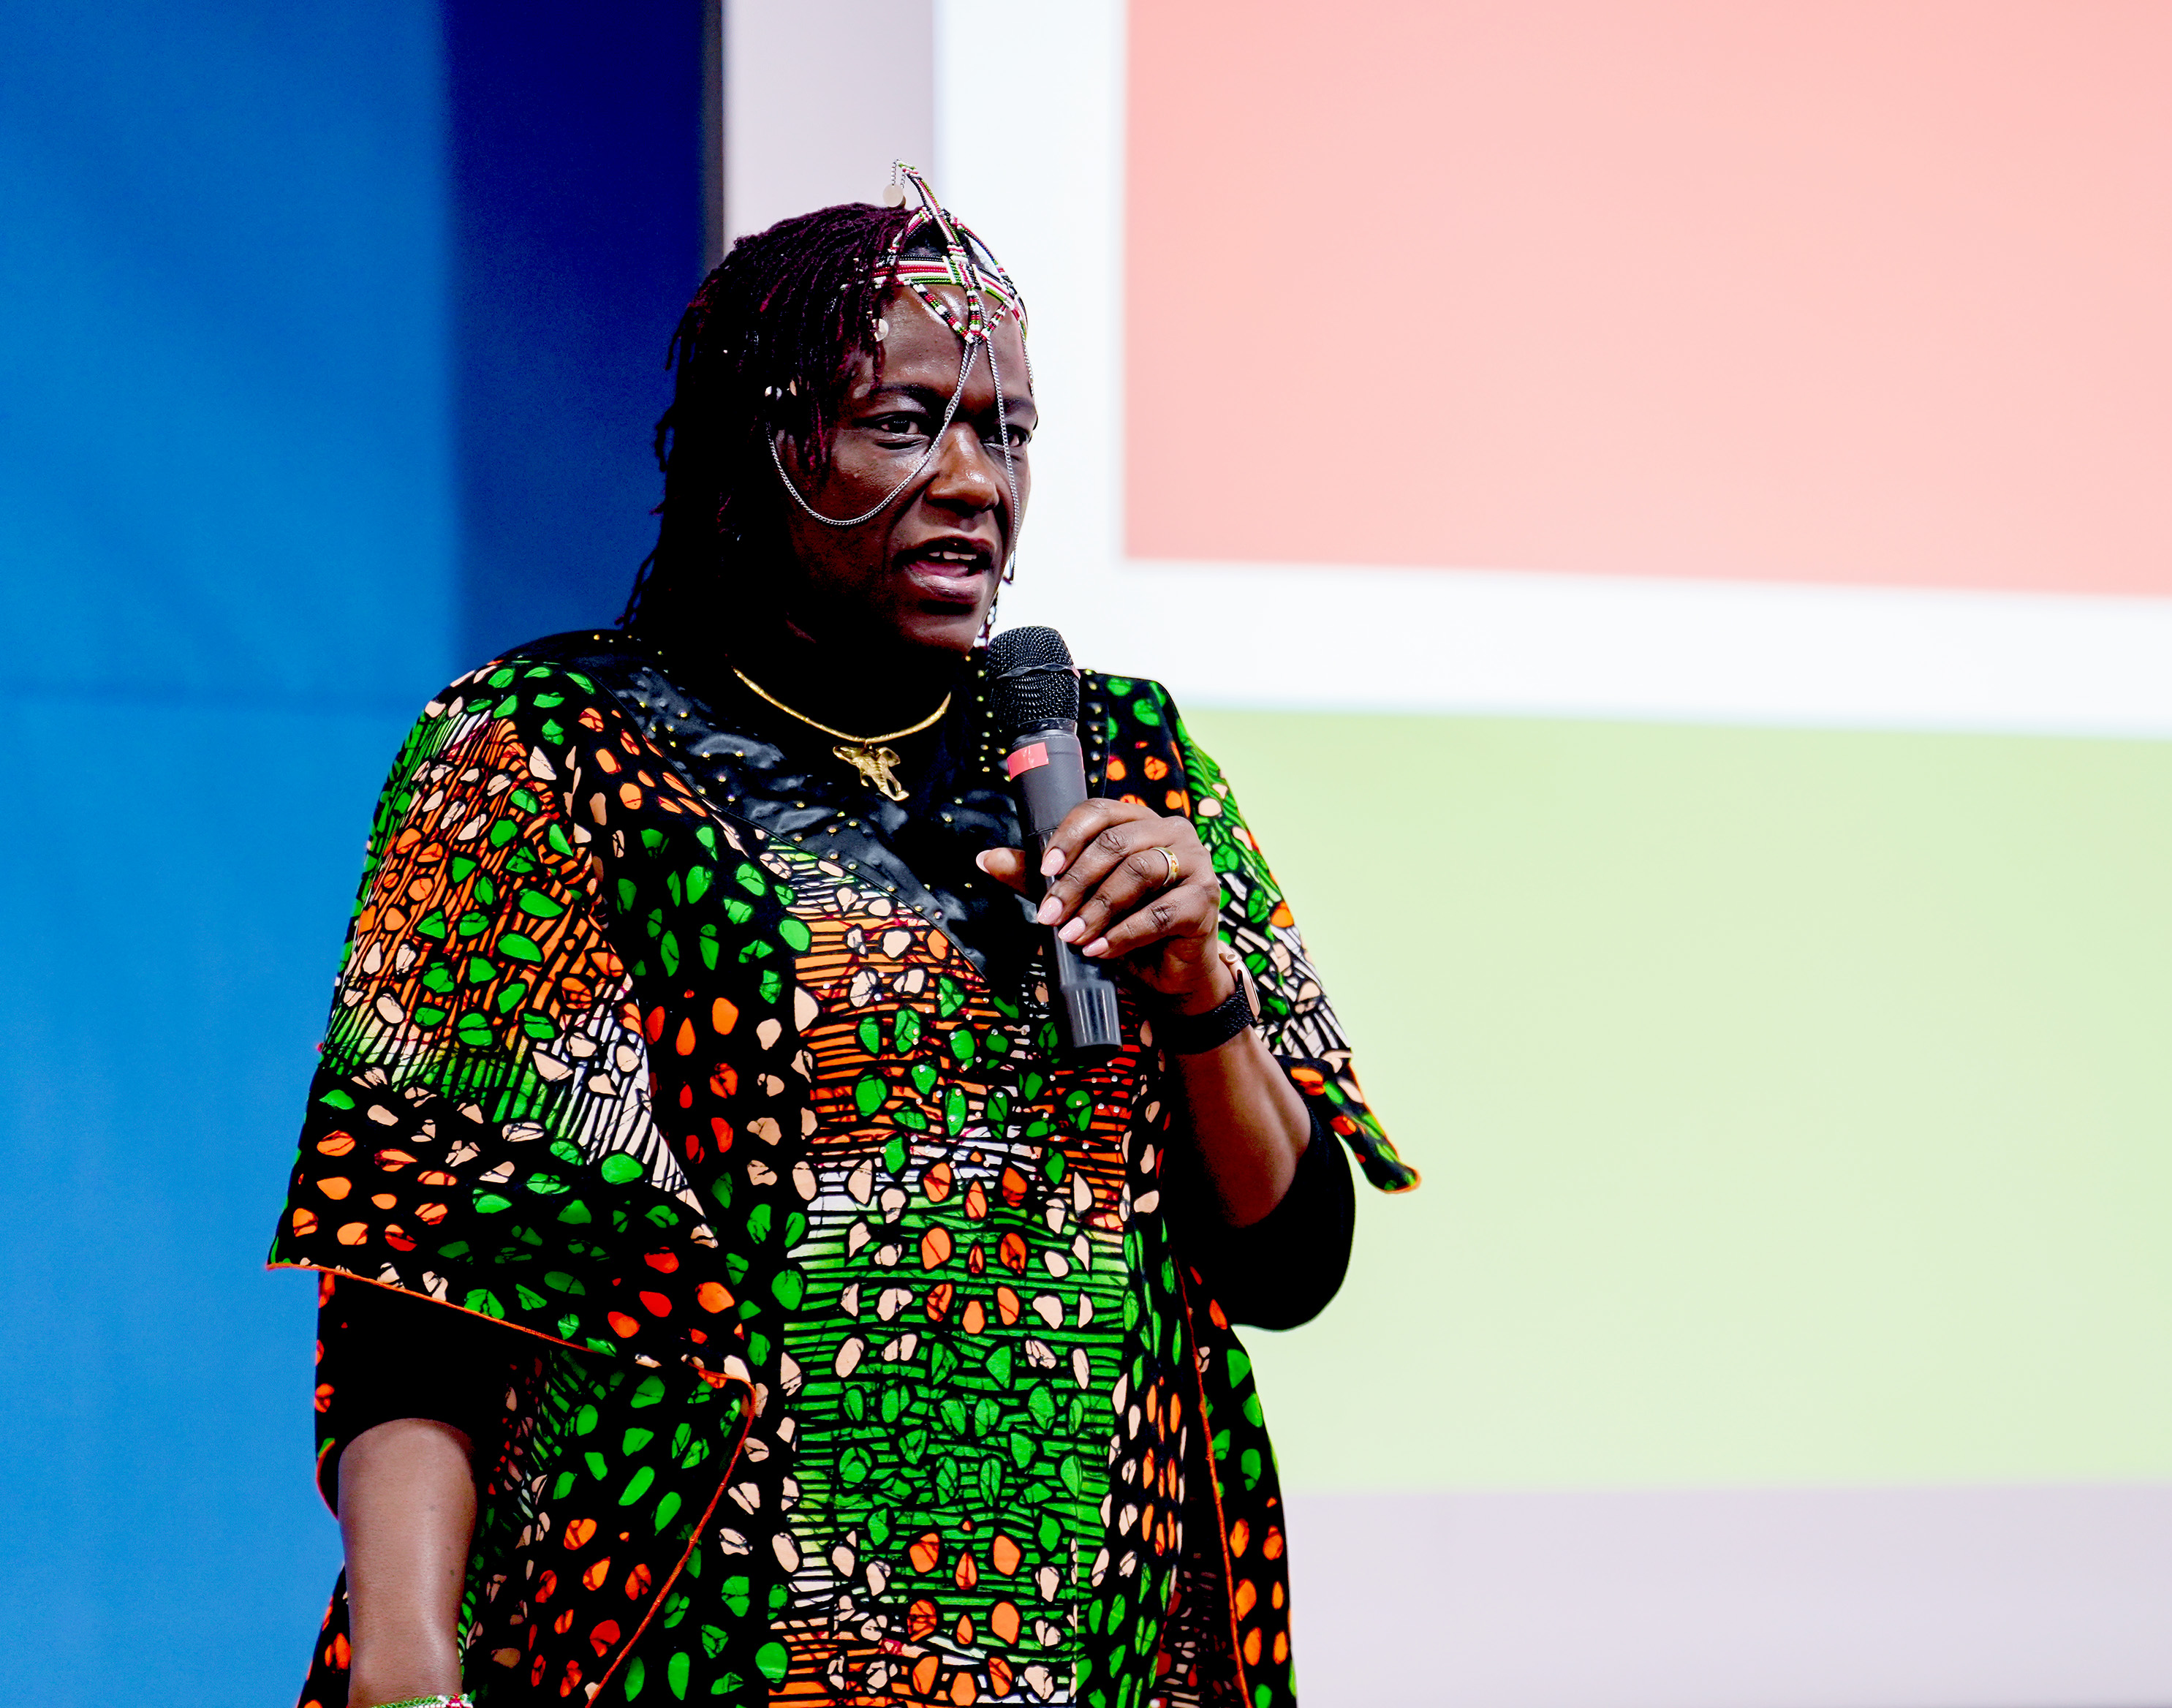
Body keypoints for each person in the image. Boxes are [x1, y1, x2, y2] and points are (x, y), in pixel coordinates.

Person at [268, 166, 1414, 1708]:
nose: (975, 480)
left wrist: (1203, 996)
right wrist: (409, 1668)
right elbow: (420, 1279)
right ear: (764, 447)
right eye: (909, 422)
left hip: (1092, 1637)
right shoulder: (552, 749)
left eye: (1007, 432)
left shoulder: (1120, 757)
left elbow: (1289, 1263)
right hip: (695, 1628)